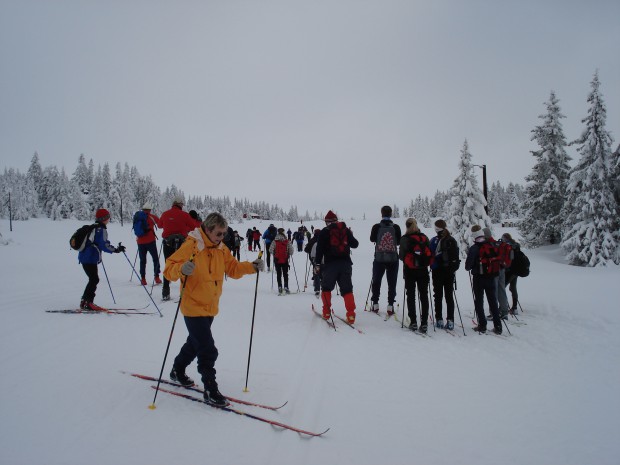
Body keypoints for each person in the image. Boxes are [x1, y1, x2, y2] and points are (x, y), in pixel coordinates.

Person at [164, 212, 265, 406]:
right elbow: (169, 269)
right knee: (207, 349)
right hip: (193, 305)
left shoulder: (221, 249)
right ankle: (210, 388)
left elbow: (233, 268)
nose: (222, 237)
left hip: (210, 306)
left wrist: (252, 266)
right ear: (208, 230)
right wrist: (181, 269)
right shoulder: (191, 245)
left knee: (194, 344)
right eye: (219, 233)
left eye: (224, 234)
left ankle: (177, 370)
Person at [314, 210, 359, 323]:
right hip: (346, 264)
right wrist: (350, 235)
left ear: (326, 222)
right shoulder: (345, 230)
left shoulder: (324, 232)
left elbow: (319, 250)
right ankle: (351, 315)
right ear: (336, 220)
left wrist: (317, 264)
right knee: (347, 289)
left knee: (326, 288)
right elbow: (355, 244)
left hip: (330, 265)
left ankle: (326, 312)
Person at [78, 209, 126, 310]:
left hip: (84, 257)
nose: (109, 219)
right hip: (90, 258)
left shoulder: (93, 227)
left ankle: (85, 301)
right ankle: (88, 302)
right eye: (108, 217)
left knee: (93, 279)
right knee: (94, 279)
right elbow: (104, 245)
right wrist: (116, 250)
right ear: (104, 219)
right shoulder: (101, 229)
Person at [157, 198, 196, 301]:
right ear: (180, 205)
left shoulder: (165, 214)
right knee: (183, 266)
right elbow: (193, 227)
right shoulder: (185, 215)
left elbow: (159, 225)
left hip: (168, 243)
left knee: (168, 265)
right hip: (182, 244)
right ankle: (184, 292)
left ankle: (165, 291)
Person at [465, 227, 502, 334]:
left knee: (479, 301)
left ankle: (482, 325)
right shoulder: (492, 245)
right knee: (493, 301)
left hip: (479, 278)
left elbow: (468, 267)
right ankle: (498, 326)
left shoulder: (474, 248)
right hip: (491, 276)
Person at [399, 218, 432, 332]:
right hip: (423, 270)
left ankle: (413, 322)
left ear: (406, 226)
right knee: (423, 295)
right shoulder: (424, 237)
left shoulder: (405, 239)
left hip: (409, 271)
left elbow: (401, 256)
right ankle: (424, 324)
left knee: (411, 296)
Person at [369, 205, 401, 316]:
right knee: (392, 282)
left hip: (379, 257)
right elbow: (398, 242)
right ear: (391, 214)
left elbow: (372, 239)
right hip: (393, 258)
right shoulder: (396, 227)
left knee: (376, 280)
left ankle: (375, 303)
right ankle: (390, 305)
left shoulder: (376, 227)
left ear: (381, 214)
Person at [429, 219, 460, 330]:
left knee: (438, 295)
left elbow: (430, 255)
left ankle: (439, 319)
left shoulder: (434, 241)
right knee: (449, 296)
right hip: (450, 271)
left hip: (437, 271)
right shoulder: (452, 240)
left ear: (437, 229)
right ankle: (450, 320)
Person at [136, 203, 162, 286]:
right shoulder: (152, 217)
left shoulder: (137, 217)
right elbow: (161, 225)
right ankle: (156, 277)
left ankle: (143, 278)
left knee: (142, 260)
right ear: (150, 210)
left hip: (140, 242)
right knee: (155, 259)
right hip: (151, 241)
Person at [270, 228, 294, 294]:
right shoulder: (287, 241)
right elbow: (291, 251)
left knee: (278, 274)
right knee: (285, 274)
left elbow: (270, 250)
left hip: (277, 259)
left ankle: (279, 287)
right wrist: (289, 253)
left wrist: (274, 254)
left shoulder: (275, 241)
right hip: (285, 259)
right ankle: (286, 286)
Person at [501, 232, 521, 314]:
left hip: (509, 270)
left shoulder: (508, 246)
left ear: (505, 238)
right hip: (516, 270)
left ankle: (502, 307)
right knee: (513, 288)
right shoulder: (516, 245)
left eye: (503, 238)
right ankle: (514, 307)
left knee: (502, 288)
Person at [304, 228, 322, 297]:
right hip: (323, 258)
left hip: (313, 258)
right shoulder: (324, 239)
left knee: (315, 270)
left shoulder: (312, 240)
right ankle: (322, 284)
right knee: (323, 270)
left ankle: (316, 286)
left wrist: (310, 251)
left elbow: (306, 249)